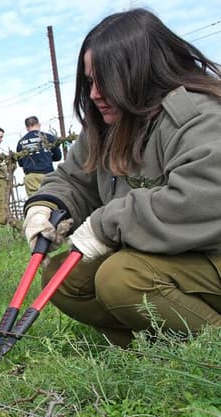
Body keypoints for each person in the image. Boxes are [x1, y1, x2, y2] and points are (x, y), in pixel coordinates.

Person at [23, 8, 221, 347]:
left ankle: (210, 349)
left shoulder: (198, 115)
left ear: (142, 71)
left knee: (122, 278)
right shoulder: (109, 125)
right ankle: (158, 353)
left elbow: (203, 197)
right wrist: (47, 205)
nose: (96, 93)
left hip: (210, 254)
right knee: (62, 277)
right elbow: (74, 179)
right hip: (168, 255)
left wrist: (106, 224)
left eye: (106, 80)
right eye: (89, 81)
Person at [16, 116, 62, 196]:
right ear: (39, 124)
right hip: (47, 175)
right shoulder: (48, 137)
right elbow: (58, 157)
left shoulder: (21, 142)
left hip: (30, 177)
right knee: (50, 199)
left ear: (26, 127)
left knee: (35, 202)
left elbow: (20, 163)